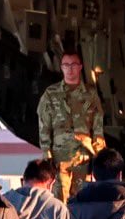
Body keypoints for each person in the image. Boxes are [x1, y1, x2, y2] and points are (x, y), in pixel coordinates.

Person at [36, 50, 105, 201]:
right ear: (61, 68)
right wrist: (46, 152)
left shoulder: (91, 94)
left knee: (80, 200)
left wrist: (100, 153)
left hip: (83, 156)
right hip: (60, 157)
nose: (70, 68)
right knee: (60, 200)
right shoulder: (51, 93)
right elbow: (44, 125)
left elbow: (98, 125)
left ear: (80, 67)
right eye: (66, 65)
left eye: (74, 65)